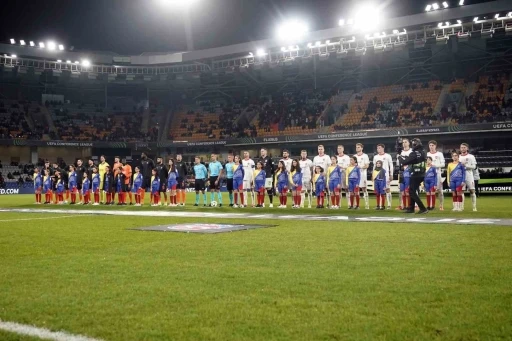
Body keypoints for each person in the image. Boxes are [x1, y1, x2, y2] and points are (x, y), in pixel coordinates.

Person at [397, 138, 428, 214]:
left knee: (411, 192)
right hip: (422, 173)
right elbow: (412, 159)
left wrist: (399, 156)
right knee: (412, 190)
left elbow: (404, 162)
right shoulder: (423, 152)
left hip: (415, 174)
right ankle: (411, 208)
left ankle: (422, 208)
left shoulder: (414, 153)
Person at [373, 143, 394, 209]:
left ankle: (389, 204)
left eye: (379, 148)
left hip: (386, 175)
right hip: (378, 176)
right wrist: (373, 175)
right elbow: (374, 167)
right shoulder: (375, 157)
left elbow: (391, 165)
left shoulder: (388, 156)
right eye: (377, 148)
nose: (378, 149)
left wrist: (391, 174)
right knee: (378, 191)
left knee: (387, 189)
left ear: (383, 148)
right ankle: (379, 205)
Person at [427, 140, 445, 210]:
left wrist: (434, 165)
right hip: (429, 175)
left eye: (432, 145)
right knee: (430, 191)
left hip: (438, 174)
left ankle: (441, 205)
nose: (431, 147)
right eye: (430, 145)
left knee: (440, 191)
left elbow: (443, 164)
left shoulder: (439, 154)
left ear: (435, 146)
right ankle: (430, 205)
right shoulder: (427, 154)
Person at [459, 143, 477, 211]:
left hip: (469, 175)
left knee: (472, 191)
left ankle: (474, 207)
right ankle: (462, 207)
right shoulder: (458, 157)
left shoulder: (471, 156)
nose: (463, 148)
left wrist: (465, 166)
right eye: (461, 147)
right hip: (461, 176)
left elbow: (474, 167)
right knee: (461, 191)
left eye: (464, 147)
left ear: (467, 148)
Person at [397, 138, 412, 210]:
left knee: (408, 191)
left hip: (409, 173)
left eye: (406, 142)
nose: (404, 143)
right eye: (403, 142)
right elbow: (398, 164)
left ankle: (410, 205)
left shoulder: (412, 151)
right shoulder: (401, 152)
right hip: (402, 173)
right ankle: (403, 206)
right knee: (402, 191)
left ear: (409, 143)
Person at [354, 143, 370, 209]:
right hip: (356, 176)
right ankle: (357, 205)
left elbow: (367, 165)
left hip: (363, 175)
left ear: (361, 148)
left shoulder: (365, 156)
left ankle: (367, 204)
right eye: (356, 147)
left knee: (364, 189)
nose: (357, 148)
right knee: (356, 190)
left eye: (358, 147)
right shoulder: (354, 156)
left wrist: (360, 167)